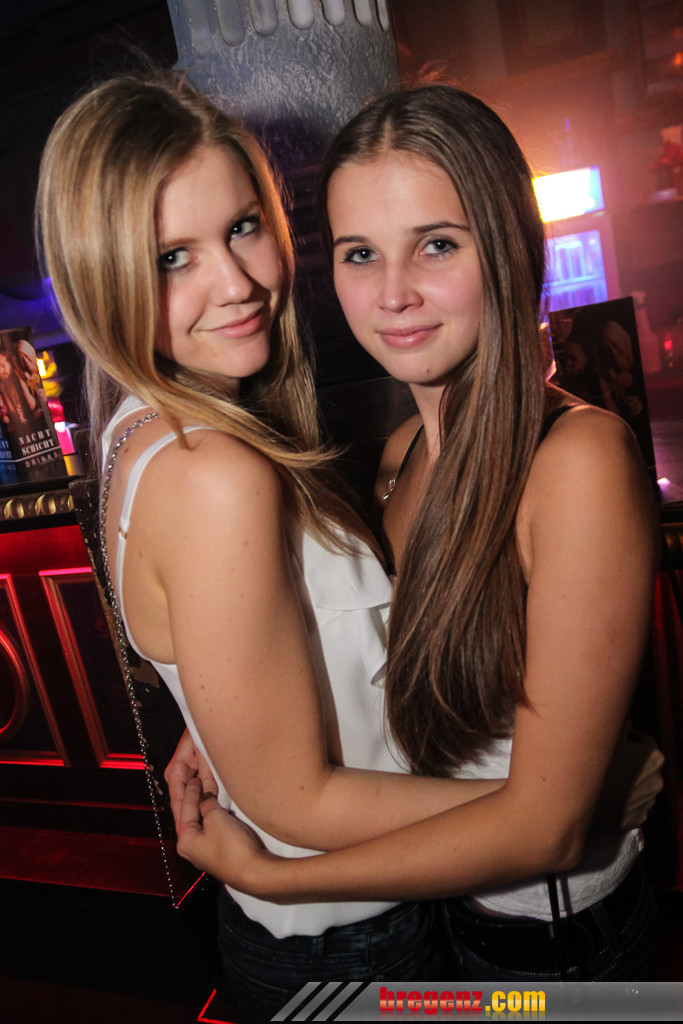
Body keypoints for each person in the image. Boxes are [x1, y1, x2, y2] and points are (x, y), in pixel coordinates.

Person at [38, 73, 560, 1021]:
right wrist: (547, 802)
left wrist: (218, 724)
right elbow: (295, 803)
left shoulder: (139, 428)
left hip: (319, 930)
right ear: (99, 274)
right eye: (171, 257)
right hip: (348, 939)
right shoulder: (214, 472)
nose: (236, 283)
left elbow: (233, 655)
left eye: (242, 228)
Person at [175, 85, 661, 983]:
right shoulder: (401, 452)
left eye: (436, 244)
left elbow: (548, 827)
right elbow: (363, 648)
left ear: (507, 247)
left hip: (557, 953)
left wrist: (277, 876)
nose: (392, 294)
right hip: (440, 923)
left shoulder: (576, 459)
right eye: (360, 253)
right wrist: (221, 724)